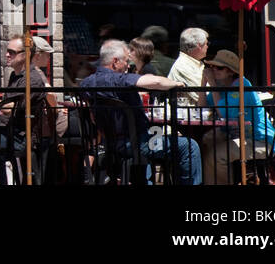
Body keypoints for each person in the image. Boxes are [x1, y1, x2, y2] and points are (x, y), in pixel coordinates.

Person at [78, 39, 202, 185]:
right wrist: (175, 84)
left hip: (110, 143)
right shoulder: (120, 80)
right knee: (189, 145)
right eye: (126, 61)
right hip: (138, 143)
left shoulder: (86, 83)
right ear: (115, 61)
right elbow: (155, 82)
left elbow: (91, 114)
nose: (128, 65)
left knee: (160, 137)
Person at [201, 50, 275, 185]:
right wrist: (203, 84)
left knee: (216, 155)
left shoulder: (241, 84)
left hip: (259, 140)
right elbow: (202, 108)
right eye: (212, 67)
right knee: (205, 142)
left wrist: (211, 83)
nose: (213, 70)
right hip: (237, 135)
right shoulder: (221, 86)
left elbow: (224, 113)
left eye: (219, 68)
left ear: (231, 71)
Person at [168, 27, 210, 110]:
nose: (207, 47)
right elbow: (206, 94)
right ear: (199, 46)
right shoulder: (183, 65)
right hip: (191, 118)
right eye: (206, 44)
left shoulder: (191, 63)